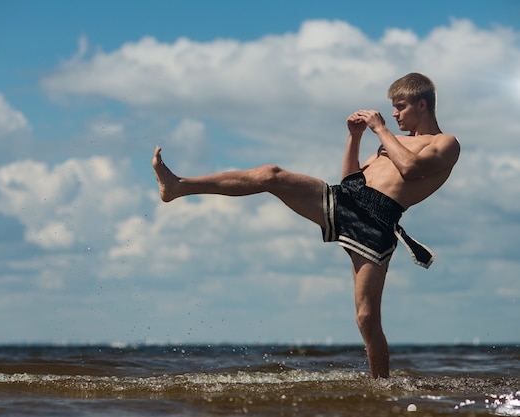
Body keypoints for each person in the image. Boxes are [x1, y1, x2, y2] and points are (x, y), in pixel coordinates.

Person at [152, 73, 460, 378]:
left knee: (366, 318)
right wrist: (354, 138)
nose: (394, 114)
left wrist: (379, 129)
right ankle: (178, 186)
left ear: (422, 105)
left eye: (400, 107)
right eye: (392, 109)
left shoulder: (445, 143)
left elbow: (410, 168)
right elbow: (351, 180)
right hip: (344, 200)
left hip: (377, 222)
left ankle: (382, 389)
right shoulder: (393, 143)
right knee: (271, 175)